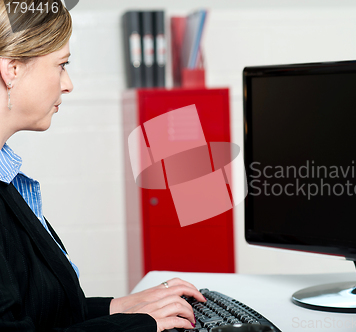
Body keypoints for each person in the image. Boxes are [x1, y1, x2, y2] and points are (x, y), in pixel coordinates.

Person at [0, 1, 205, 331]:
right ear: (12, 69)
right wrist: (139, 325)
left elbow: (36, 311)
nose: (67, 84)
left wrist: (122, 306)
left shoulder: (8, 177)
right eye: (61, 65)